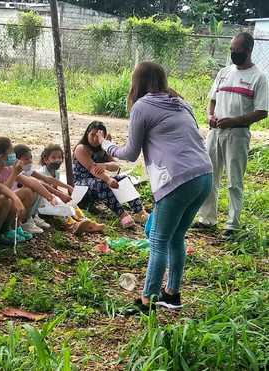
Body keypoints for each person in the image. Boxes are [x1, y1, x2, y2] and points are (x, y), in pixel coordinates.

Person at [97, 61, 213, 313]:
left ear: (137, 82)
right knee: (175, 236)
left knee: (159, 240)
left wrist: (107, 146)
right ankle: (171, 294)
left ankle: (147, 300)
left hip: (177, 180)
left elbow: (129, 153)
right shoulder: (182, 102)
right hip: (204, 175)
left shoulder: (142, 106)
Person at [196, 32, 268, 237]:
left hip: (237, 135)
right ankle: (207, 219)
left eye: (237, 50)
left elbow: (262, 111)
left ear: (248, 50)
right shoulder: (223, 73)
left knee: (234, 181)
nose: (233, 53)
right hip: (215, 132)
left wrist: (234, 121)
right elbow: (212, 100)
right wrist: (210, 115)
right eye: (231, 50)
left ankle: (232, 224)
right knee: (210, 176)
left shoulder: (258, 78)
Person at [73, 121, 148, 228]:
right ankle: (123, 215)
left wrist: (105, 165)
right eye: (92, 135)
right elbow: (92, 168)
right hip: (81, 185)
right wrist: (108, 180)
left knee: (123, 178)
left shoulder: (102, 149)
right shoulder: (81, 148)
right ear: (87, 134)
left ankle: (140, 213)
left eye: (98, 136)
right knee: (101, 183)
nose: (94, 139)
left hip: (98, 180)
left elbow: (116, 165)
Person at [0, 137, 57, 241]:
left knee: (28, 191)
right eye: (11, 152)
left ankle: (15, 226)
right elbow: (3, 190)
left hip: (7, 205)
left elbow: (31, 181)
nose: (14, 155)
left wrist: (50, 197)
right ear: (1, 157)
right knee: (8, 199)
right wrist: (14, 173)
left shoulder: (8, 168)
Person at [36, 143, 105, 235]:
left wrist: (65, 196)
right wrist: (61, 196)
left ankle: (86, 222)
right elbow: (46, 189)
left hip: (52, 198)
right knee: (62, 206)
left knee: (72, 203)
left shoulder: (56, 172)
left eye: (60, 157)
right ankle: (72, 225)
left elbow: (55, 188)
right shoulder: (42, 173)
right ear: (45, 159)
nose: (57, 160)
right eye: (53, 157)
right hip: (43, 202)